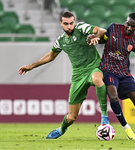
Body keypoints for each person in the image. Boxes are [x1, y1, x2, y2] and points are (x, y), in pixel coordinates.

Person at [18, 11, 109, 139]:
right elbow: (51, 56)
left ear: (74, 22)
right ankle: (61, 130)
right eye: (66, 24)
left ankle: (104, 118)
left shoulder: (81, 28)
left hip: (94, 67)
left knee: (97, 78)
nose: (69, 26)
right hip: (78, 75)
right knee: (71, 117)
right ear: (61, 24)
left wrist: (97, 36)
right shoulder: (60, 41)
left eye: (71, 23)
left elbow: (101, 30)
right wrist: (31, 66)